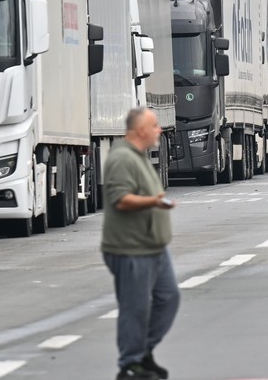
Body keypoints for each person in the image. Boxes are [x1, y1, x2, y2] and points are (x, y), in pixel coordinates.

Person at [101, 108, 180, 380]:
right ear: (140, 130)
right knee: (135, 307)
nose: (160, 130)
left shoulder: (140, 157)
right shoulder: (122, 158)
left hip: (154, 246)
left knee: (168, 298)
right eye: (155, 125)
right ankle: (130, 364)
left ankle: (143, 351)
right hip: (131, 248)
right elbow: (121, 199)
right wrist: (155, 202)